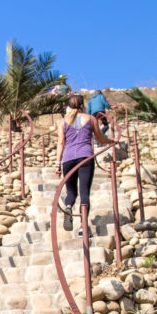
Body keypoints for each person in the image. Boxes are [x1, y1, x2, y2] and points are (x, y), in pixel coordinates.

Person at [55, 92, 107, 232]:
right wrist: (111, 141)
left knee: (71, 191)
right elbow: (100, 139)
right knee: (84, 192)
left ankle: (68, 208)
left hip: (68, 159)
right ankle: (83, 227)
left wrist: (57, 164)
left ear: (68, 106)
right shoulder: (90, 118)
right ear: (82, 105)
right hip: (86, 157)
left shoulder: (62, 122)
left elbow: (61, 143)